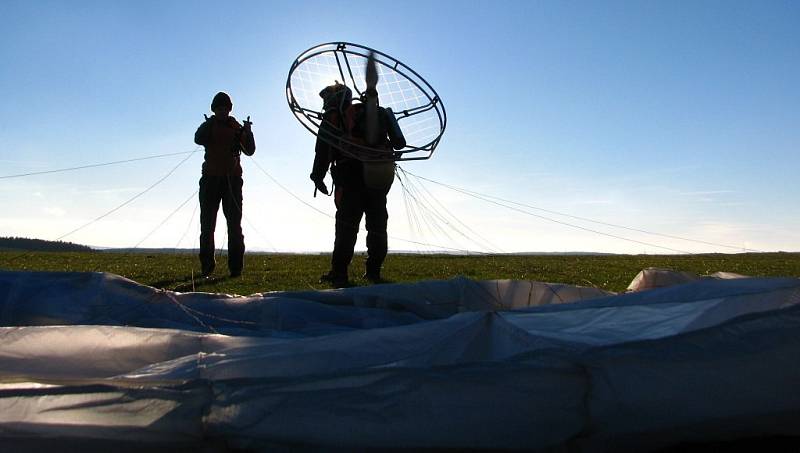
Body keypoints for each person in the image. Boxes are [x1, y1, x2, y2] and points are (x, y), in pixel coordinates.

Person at [310, 82, 406, 287]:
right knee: (377, 225)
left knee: (346, 226)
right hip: (378, 178)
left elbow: (323, 150)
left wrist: (317, 176)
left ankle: (339, 273)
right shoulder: (381, 114)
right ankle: (373, 272)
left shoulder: (335, 117)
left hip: (351, 176)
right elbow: (399, 144)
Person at [193, 92, 255, 277]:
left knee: (234, 225)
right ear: (214, 110)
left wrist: (248, 132)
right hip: (210, 180)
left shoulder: (237, 128)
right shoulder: (209, 126)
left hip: (233, 182)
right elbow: (198, 139)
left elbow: (250, 151)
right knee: (207, 225)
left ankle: (235, 269)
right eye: (219, 109)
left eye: (225, 109)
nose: (222, 112)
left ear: (229, 110)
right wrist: (208, 124)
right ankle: (207, 267)